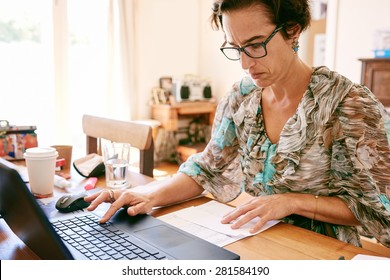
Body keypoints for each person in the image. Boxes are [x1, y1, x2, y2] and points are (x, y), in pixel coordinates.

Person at [85, 0, 390, 248]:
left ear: (293, 31)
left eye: (256, 45)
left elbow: (379, 208)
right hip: (255, 239)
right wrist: (149, 195)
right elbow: (206, 168)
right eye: (236, 47)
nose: (245, 63)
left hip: (321, 252)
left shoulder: (348, 105)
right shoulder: (242, 97)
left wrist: (292, 202)